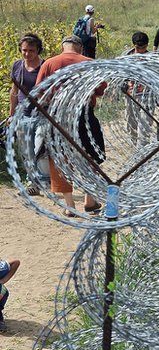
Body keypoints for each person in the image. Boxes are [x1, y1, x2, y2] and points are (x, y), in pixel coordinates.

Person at [36, 36, 103, 216]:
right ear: (80, 48)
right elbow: (101, 89)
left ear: (63, 47)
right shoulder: (89, 63)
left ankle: (69, 204)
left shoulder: (49, 64)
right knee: (91, 155)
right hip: (84, 115)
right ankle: (90, 199)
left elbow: (39, 92)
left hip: (58, 116)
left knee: (60, 158)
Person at [8, 33, 46, 196]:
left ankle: (47, 179)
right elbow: (14, 92)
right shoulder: (17, 66)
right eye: (24, 50)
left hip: (44, 115)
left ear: (38, 50)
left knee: (41, 149)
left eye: (31, 50)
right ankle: (33, 183)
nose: (27, 54)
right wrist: (11, 115)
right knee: (26, 150)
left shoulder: (45, 66)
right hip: (23, 115)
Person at [124, 32, 155, 143]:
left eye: (143, 47)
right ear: (133, 45)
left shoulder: (152, 60)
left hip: (147, 96)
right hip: (131, 95)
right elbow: (121, 75)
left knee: (145, 125)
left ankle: (143, 150)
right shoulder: (126, 58)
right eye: (138, 47)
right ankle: (135, 146)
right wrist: (125, 84)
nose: (141, 50)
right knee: (131, 123)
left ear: (147, 45)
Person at [0, 259, 21, 332]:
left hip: (1, 293)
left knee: (3, 292)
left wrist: (3, 280)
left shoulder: (2, 268)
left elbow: (16, 262)